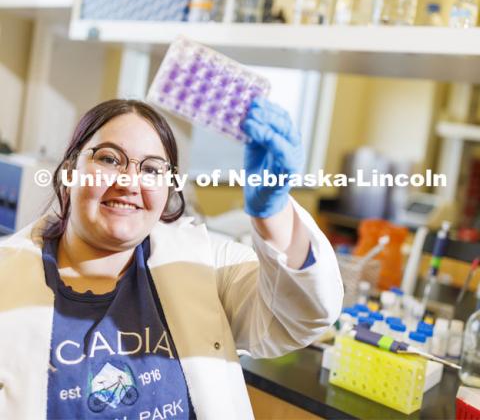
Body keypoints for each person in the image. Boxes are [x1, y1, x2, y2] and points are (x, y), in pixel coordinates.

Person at [0, 98, 343, 419]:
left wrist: (275, 216)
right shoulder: (8, 276)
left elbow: (302, 317)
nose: (129, 182)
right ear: (70, 170)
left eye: (151, 169)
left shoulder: (207, 263)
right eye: (108, 158)